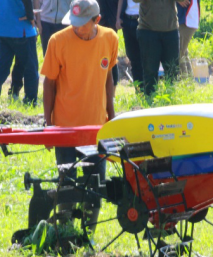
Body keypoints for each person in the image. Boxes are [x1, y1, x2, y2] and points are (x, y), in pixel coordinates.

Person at [40, 0, 117, 230]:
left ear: (97, 21)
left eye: (81, 24)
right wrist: (48, 125)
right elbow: (49, 84)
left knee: (94, 183)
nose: (76, 28)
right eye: (73, 23)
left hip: (96, 129)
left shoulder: (110, 38)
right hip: (65, 128)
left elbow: (109, 78)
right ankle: (65, 229)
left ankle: (88, 231)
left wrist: (111, 119)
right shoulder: (58, 41)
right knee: (67, 183)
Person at [0, 0, 40, 106]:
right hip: (21, 27)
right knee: (30, 67)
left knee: (1, 67)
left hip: (2, 26)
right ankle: (30, 100)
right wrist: (31, 16)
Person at [132, 0, 183, 97]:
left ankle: (172, 102)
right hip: (148, 30)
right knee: (150, 71)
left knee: (172, 71)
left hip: (170, 29)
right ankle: (150, 103)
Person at [119, 0, 145, 89]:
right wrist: (118, 17)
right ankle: (138, 90)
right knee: (133, 58)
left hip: (143, 20)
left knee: (145, 57)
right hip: (127, 20)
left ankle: (148, 90)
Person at [96, 0, 120, 86]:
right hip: (96, 23)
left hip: (110, 23)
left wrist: (117, 18)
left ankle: (113, 91)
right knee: (97, 56)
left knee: (111, 58)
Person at [176, 0, 199, 76]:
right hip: (183, 17)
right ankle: (189, 79)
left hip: (187, 17)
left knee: (179, 52)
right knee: (183, 52)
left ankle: (184, 79)